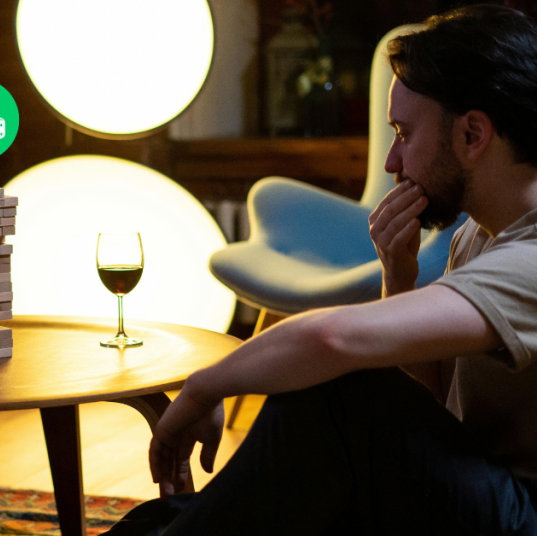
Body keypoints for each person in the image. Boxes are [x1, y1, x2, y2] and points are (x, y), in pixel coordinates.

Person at [107, 5, 537, 535]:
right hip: (479, 489)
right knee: (161, 521)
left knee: (341, 389)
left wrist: (203, 388)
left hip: (524, 515)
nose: (391, 163)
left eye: (404, 133)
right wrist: (397, 280)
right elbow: (431, 413)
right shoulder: (479, 234)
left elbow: (332, 337)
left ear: (472, 135)